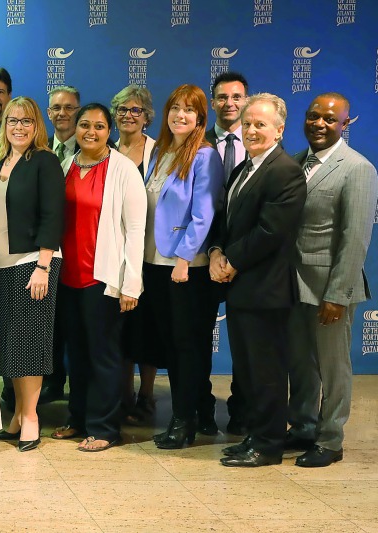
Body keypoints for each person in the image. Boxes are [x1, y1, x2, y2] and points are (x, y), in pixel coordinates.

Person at [211, 93, 307, 467]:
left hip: (266, 289)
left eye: (261, 124)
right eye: (248, 123)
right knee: (248, 371)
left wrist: (231, 260)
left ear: (279, 130)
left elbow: (271, 232)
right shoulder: (244, 168)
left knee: (266, 372)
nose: (252, 130)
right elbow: (228, 221)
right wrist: (217, 251)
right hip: (240, 289)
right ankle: (254, 435)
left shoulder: (284, 171)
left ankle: (267, 445)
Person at [130, 84, 225, 449]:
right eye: (175, 109)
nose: (180, 115)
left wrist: (185, 258)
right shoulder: (161, 152)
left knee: (187, 345)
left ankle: (183, 421)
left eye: (189, 110)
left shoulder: (204, 155)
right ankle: (198, 411)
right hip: (153, 262)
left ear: (201, 118)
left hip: (185, 266)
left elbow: (204, 213)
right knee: (172, 344)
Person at [286, 93, 378, 467]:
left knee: (333, 366)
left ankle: (330, 439)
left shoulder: (357, 168)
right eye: (312, 117)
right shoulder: (294, 162)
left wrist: (338, 294)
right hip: (295, 284)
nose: (319, 124)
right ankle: (304, 426)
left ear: (345, 124)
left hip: (330, 288)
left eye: (329, 118)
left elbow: (355, 237)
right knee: (302, 363)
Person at [50, 103, 145, 452]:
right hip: (68, 278)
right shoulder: (66, 165)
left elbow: (136, 230)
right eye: (85, 124)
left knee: (104, 355)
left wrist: (130, 283)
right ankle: (78, 418)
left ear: (110, 131)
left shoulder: (122, 169)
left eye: (100, 126)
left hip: (103, 279)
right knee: (76, 354)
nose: (91, 131)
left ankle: (105, 427)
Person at [0, 96, 64, 452]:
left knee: (29, 344)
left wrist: (43, 266)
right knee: (11, 345)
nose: (19, 127)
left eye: (26, 121)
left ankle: (31, 417)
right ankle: (17, 414)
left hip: (32, 263)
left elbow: (53, 216)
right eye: (12, 120)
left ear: (37, 126)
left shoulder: (44, 162)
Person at [110, 84, 159, 426]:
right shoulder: (104, 149)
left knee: (148, 327)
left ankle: (146, 395)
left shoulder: (159, 152)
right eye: (122, 110)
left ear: (146, 117)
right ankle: (124, 395)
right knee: (121, 330)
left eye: (135, 111)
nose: (128, 116)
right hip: (113, 255)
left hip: (150, 253)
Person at [205, 71, 250, 435]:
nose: (230, 103)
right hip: (202, 257)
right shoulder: (196, 143)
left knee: (247, 345)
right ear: (212, 101)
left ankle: (242, 413)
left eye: (237, 97)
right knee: (197, 339)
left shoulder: (260, 145)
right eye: (222, 97)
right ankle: (201, 410)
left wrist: (235, 257)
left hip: (247, 263)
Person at [40, 85, 82, 405]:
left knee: (74, 323)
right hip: (44, 252)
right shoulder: (39, 149)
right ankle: (50, 382)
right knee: (46, 323)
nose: (62, 113)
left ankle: (78, 393)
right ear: (48, 112)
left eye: (69, 107)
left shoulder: (94, 149)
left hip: (80, 251)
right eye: (56, 108)